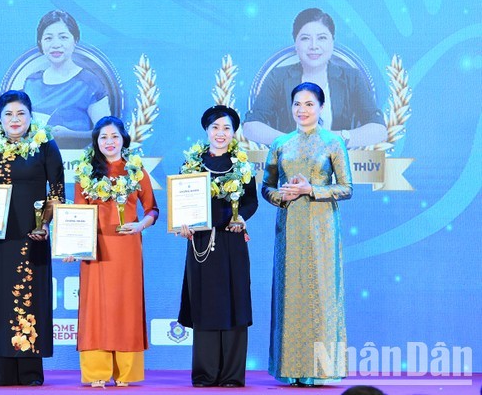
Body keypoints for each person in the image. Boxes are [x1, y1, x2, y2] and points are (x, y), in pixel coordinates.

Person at [262, 82, 353, 387]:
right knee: (290, 294)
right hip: (288, 227)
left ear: (321, 107)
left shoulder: (333, 142)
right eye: (297, 104)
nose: (302, 110)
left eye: (309, 104)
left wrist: (311, 189)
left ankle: (320, 369)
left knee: (320, 293)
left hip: (321, 228)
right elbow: (267, 186)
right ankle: (290, 368)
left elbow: (347, 188)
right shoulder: (281, 143)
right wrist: (281, 197)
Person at [0, 90, 64, 386]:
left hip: (34, 236)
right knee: (0, 300)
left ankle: (29, 373)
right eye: (9, 114)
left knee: (32, 300)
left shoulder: (45, 145)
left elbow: (57, 192)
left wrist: (46, 223)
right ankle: (0, 372)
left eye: (21, 114)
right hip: (1, 238)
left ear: (30, 116)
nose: (15, 120)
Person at [70, 116, 159, 388]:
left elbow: (153, 210)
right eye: (103, 137)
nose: (109, 142)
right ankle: (97, 371)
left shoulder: (136, 169)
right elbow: (77, 213)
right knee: (96, 308)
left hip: (127, 248)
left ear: (124, 139)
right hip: (95, 248)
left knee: (126, 306)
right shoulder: (85, 172)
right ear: (96, 142)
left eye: (114, 136)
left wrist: (140, 225)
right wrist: (74, 246)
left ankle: (126, 373)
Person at [177, 106, 258, 388]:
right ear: (206, 131)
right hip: (201, 243)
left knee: (234, 302)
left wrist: (241, 219)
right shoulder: (192, 164)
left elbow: (250, 201)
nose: (220, 133)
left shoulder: (242, 164)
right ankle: (205, 373)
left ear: (233, 132)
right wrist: (183, 224)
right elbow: (181, 202)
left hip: (232, 240)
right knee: (206, 303)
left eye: (226, 128)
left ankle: (232, 375)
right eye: (215, 128)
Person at [243, 7, 386, 148]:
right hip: (287, 165)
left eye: (322, 38)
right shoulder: (278, 77)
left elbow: (378, 129)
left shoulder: (352, 77)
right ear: (296, 43)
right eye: (305, 39)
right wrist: (292, 141)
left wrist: (338, 138)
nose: (314, 46)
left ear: (332, 42)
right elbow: (251, 126)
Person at [23, 10, 111, 147]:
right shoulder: (31, 82)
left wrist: (70, 135)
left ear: (75, 40)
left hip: (78, 164)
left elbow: (108, 133)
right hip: (38, 164)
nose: (56, 44)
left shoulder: (90, 83)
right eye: (48, 38)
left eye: (63, 37)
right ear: (40, 43)